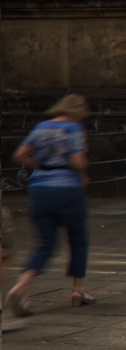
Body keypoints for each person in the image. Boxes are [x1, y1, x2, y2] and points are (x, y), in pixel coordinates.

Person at [5, 93, 94, 318]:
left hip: (39, 190)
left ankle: (21, 286)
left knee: (44, 244)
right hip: (67, 190)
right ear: (78, 112)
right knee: (77, 239)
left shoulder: (41, 127)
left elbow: (20, 154)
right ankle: (78, 290)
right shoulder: (74, 129)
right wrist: (83, 174)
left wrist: (40, 165)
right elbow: (77, 161)